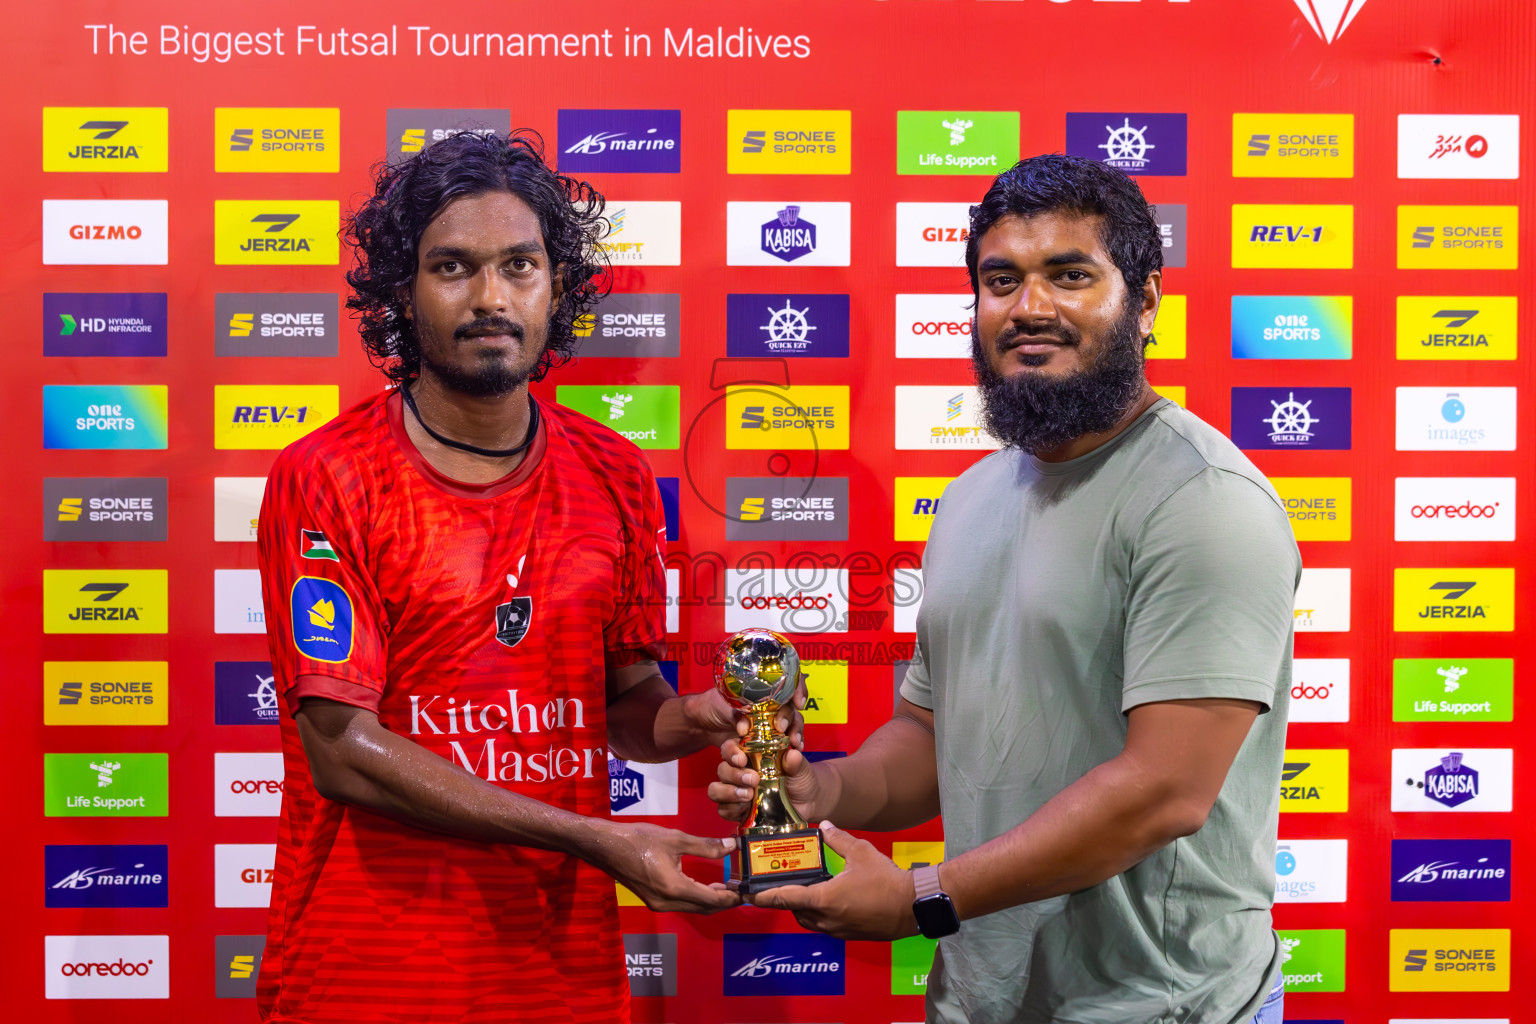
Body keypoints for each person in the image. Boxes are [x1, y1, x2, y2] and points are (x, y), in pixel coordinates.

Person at [710, 154, 1301, 1024]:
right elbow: (933, 737)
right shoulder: (972, 498)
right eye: (1001, 279)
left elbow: (1165, 789)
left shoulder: (1204, 500)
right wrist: (816, 792)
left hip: (1160, 1008)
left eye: (1070, 275)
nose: (1029, 307)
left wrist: (923, 897)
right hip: (982, 1000)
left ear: (1145, 301)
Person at [256, 131, 771, 1024]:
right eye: (452, 266)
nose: (490, 297)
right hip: (367, 977)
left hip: (557, 976)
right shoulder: (328, 475)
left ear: (556, 288)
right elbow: (340, 751)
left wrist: (697, 718)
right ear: (401, 293)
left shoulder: (615, 471)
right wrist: (596, 838)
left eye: (519, 266)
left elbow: (622, 703)